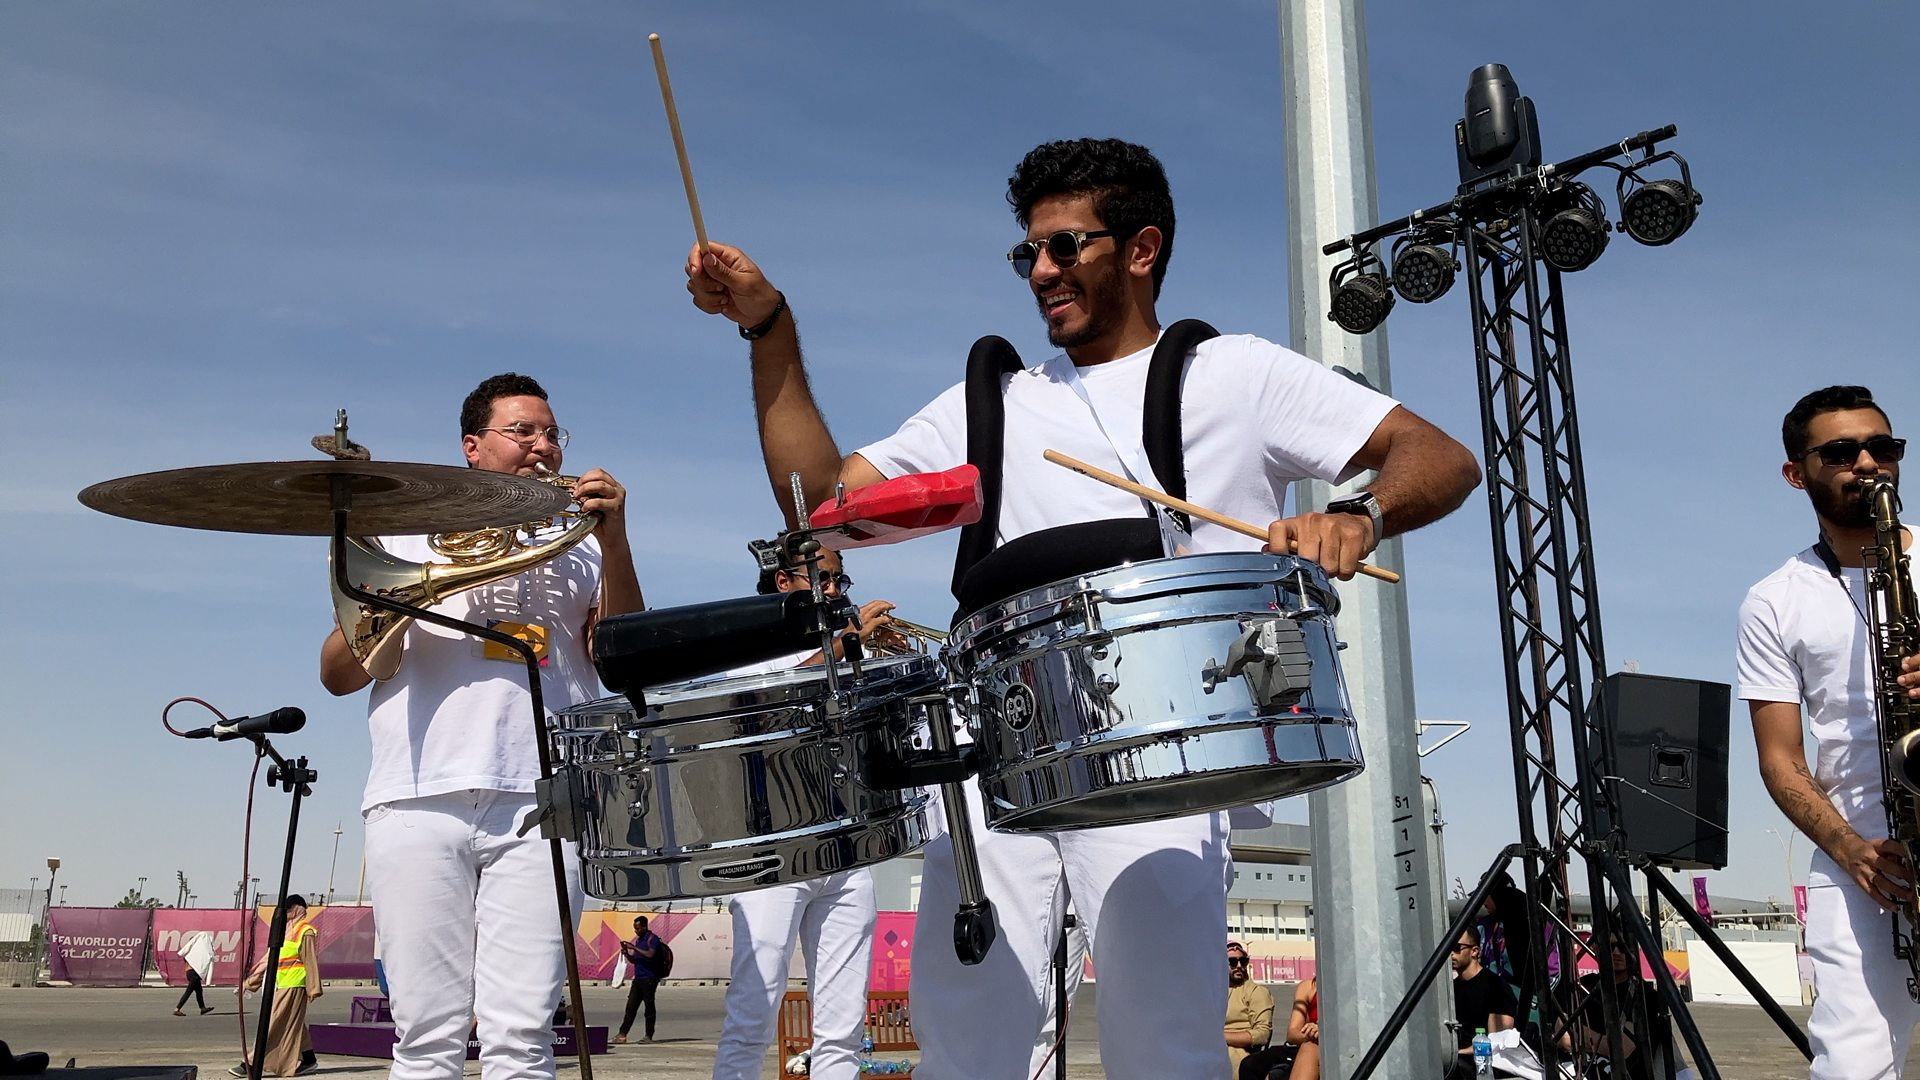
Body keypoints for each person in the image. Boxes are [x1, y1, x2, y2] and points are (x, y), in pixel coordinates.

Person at [684, 137, 1481, 1078]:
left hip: (1165, 753)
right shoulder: (992, 405)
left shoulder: (1235, 373)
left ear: (1140, 250)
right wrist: (767, 327)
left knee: (1163, 1045)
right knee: (968, 1044)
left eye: (1065, 248)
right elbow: (817, 504)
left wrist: (1359, 511)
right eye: (1028, 254)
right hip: (996, 753)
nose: (1041, 273)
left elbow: (1439, 458)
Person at [319, 372, 643, 1080]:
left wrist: (615, 542)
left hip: (543, 798)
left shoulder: (582, 543)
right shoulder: (405, 534)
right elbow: (339, 673)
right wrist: (425, 582)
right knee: (426, 1035)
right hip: (417, 794)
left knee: (522, 1035)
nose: (543, 446)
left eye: (552, 433)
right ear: (472, 446)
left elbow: (621, 660)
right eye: (522, 431)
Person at [1739, 384, 1920, 1078]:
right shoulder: (1773, 601)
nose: (1869, 462)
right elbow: (1780, 760)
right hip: (1867, 858)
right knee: (1852, 1067)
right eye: (1842, 451)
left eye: (1884, 447)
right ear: (1797, 473)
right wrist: (1851, 850)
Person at [713, 547, 899, 1080]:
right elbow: (769, 704)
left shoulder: (845, 646)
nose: (837, 591)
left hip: (845, 842)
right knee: (752, 1013)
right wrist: (840, 648)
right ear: (782, 581)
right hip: (771, 848)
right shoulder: (751, 643)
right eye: (823, 579)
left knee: (842, 1028)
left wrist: (889, 663)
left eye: (841, 579)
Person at [1553, 930, 1671, 1080]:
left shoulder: (1646, 996)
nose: (1616, 952)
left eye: (1622, 946)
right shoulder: (1581, 986)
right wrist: (1600, 1040)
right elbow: (1560, 1032)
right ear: (1596, 948)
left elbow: (1621, 1047)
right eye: (1610, 946)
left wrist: (1577, 1035)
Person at [231, 896, 322, 1077]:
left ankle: (249, 1062)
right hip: (282, 984)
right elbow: (272, 961)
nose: (286, 913)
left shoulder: (305, 931)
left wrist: (313, 988)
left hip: (294, 985)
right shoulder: (287, 931)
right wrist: (250, 983)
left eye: (288, 909)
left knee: (273, 1024)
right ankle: (309, 1058)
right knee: (291, 1022)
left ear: (297, 909)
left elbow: (310, 961)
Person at [1448, 925, 1516, 1079]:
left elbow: (1497, 1043)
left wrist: (1455, 1054)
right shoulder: (1451, 989)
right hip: (1455, 1060)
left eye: (1457, 948)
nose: (1451, 953)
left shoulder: (1495, 986)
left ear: (1475, 951)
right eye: (1449, 947)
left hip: (1482, 1066)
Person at [1222, 942, 1276, 1080]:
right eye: (1232, 962)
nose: (1239, 966)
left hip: (1240, 1054)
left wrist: (1220, 1037)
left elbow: (1262, 1034)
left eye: (1243, 961)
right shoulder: (1211, 992)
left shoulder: (1256, 992)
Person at [615, 916, 665, 1045]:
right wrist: (627, 953)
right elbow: (635, 960)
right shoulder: (639, 940)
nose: (636, 931)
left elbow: (650, 954)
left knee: (649, 1008)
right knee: (631, 1007)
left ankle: (649, 1035)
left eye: (637, 928)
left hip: (649, 979)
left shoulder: (652, 939)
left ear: (644, 926)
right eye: (634, 928)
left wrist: (634, 948)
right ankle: (622, 1034)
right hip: (638, 979)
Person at [1282, 977, 1320, 1080]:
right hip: (1312, 1043)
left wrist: (1324, 1031)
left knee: (1309, 1050)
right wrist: (1310, 1033)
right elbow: (1292, 1034)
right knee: (1252, 1064)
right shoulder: (1309, 987)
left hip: (1339, 1045)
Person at [173, 929, 217, 1016]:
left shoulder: (191, 952)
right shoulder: (193, 952)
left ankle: (202, 1008)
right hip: (193, 973)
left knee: (199, 990)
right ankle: (177, 1008)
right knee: (189, 991)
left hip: (190, 973)